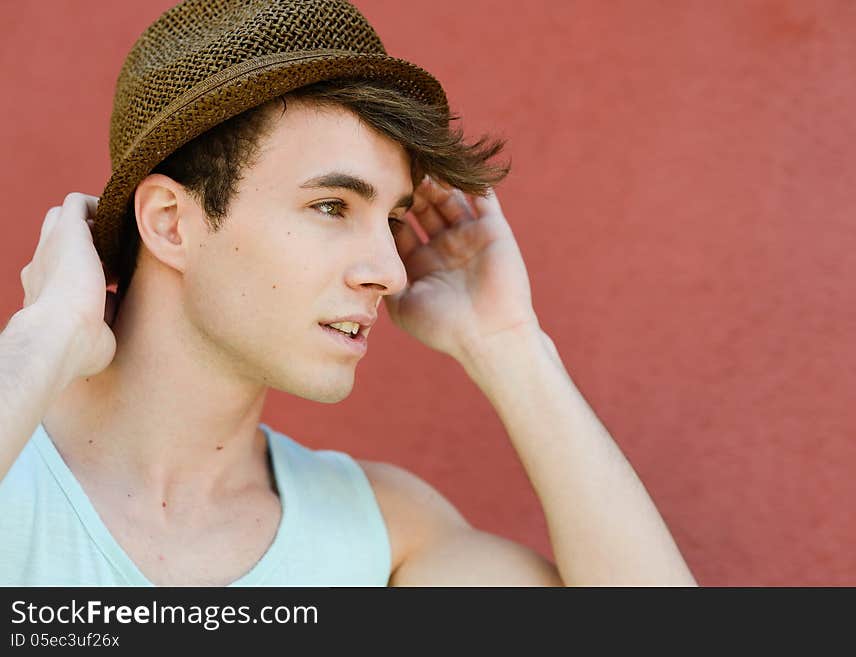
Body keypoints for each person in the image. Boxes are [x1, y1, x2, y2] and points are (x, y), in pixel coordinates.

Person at [0, 0, 696, 586]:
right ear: (171, 223)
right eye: (332, 206)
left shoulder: (381, 534)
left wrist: (508, 342)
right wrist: (45, 338)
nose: (390, 271)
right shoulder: (16, 469)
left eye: (393, 220)